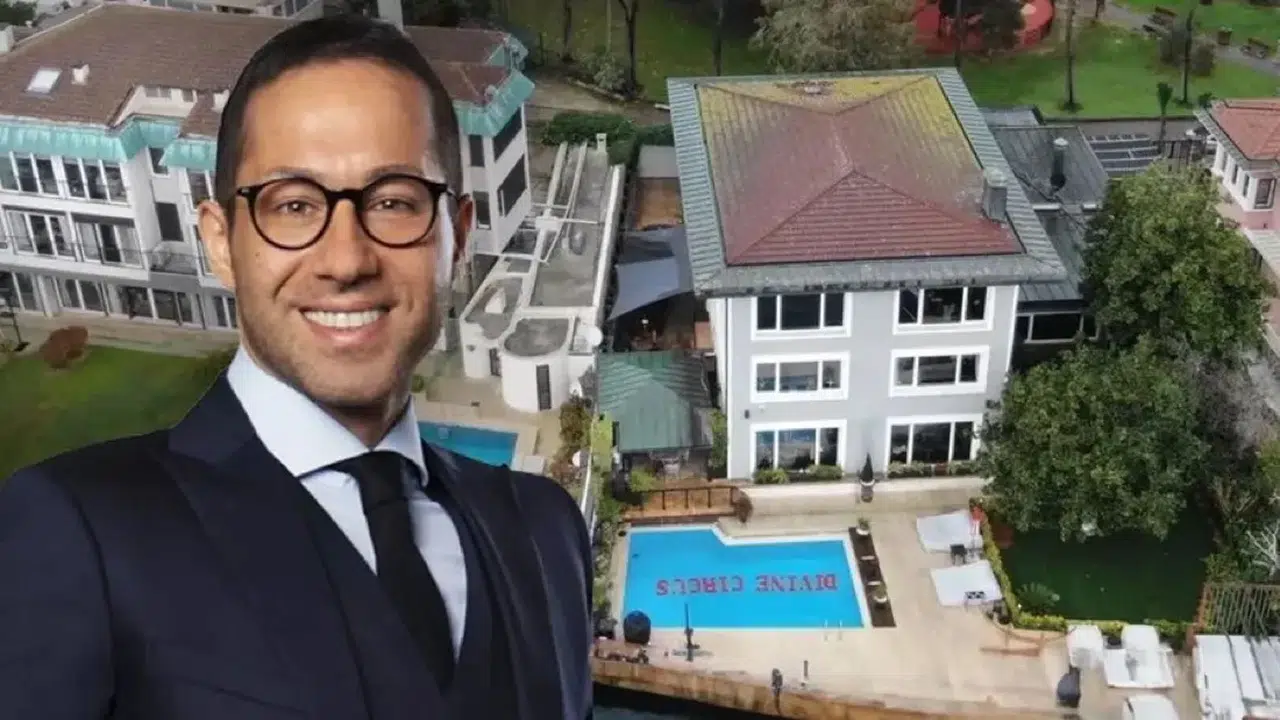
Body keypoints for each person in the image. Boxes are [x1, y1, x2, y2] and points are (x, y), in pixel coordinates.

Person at [0, 15, 592, 720]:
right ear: (221, 242)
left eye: (394, 202)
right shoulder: (80, 535)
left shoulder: (545, 530)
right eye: (294, 206)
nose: (346, 260)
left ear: (456, 236)